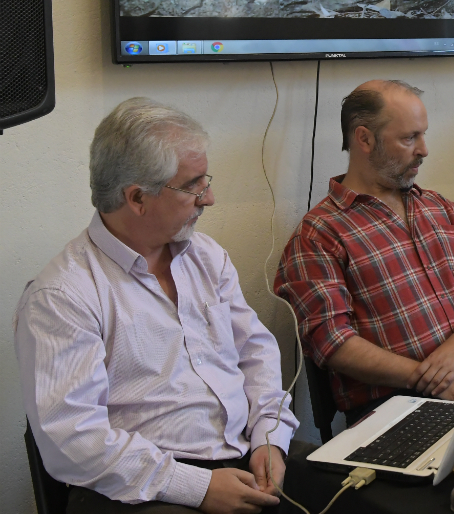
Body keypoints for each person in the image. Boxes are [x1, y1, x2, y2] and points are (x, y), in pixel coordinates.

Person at [14, 97, 299, 513]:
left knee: (367, 492)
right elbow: (73, 440)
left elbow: (256, 355)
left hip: (242, 453)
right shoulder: (63, 295)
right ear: (137, 198)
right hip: (143, 487)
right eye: (194, 185)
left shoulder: (206, 257)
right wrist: (196, 487)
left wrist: (270, 439)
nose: (209, 198)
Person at [274, 80, 454, 423]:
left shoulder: (439, 207)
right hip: (401, 407)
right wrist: (433, 379)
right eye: (409, 138)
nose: (424, 150)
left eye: (423, 135)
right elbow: (332, 342)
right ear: (365, 139)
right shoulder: (320, 234)